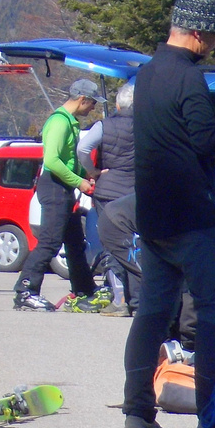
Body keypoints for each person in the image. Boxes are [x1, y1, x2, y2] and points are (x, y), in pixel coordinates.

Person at [121, 0, 215, 428]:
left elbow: (179, 143)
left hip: (154, 219)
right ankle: (212, 422)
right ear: (199, 32)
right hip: (194, 220)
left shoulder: (147, 74)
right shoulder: (189, 77)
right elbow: (204, 138)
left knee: (152, 315)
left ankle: (137, 415)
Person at [98, 191, 215, 335]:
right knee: (163, 290)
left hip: (156, 228)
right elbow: (192, 300)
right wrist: (194, 344)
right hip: (122, 224)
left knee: (170, 292)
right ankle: (148, 365)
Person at [13, 78, 103, 311]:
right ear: (82, 99)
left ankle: (85, 290)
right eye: (92, 103)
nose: (93, 108)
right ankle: (26, 291)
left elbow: (69, 161)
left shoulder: (69, 122)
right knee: (50, 242)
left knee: (74, 242)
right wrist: (79, 182)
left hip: (63, 187)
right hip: (54, 187)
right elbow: (52, 161)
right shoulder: (59, 123)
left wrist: (87, 174)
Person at [78, 82, 137, 314]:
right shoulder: (149, 126)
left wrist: (92, 172)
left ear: (117, 104)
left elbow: (83, 148)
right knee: (136, 244)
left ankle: (119, 299)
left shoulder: (106, 125)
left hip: (108, 192)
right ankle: (137, 298)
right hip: (136, 192)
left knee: (112, 245)